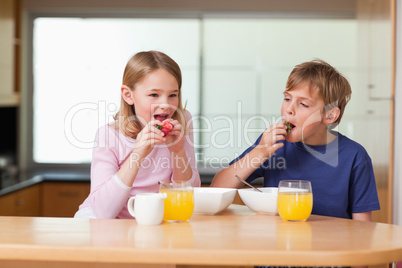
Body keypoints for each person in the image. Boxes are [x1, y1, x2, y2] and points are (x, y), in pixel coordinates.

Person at [211, 59, 380, 221]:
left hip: (330, 247)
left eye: (303, 104)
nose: (289, 109)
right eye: (287, 99)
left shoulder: (355, 157)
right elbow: (216, 190)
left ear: (329, 115)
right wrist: (259, 152)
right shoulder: (273, 145)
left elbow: (362, 227)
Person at [75, 50, 201, 219]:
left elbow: (189, 195)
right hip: (110, 221)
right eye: (154, 95)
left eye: (173, 95)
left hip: (159, 218)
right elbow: (103, 212)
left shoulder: (182, 122)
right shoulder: (108, 135)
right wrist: (137, 154)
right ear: (128, 95)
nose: (165, 105)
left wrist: (178, 152)